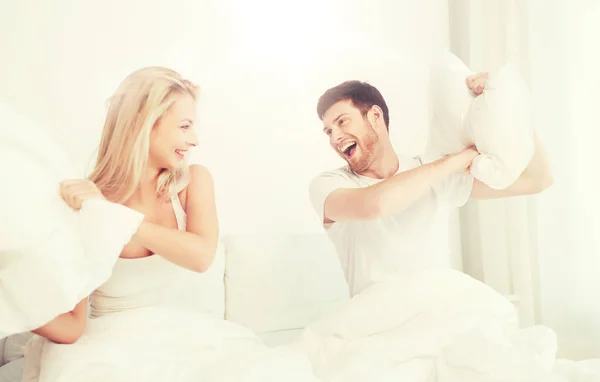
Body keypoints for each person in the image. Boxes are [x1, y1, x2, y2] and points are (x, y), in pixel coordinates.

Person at [22, 67, 319, 382]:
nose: (194, 140)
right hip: (108, 347)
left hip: (185, 339)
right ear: (145, 123)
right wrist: (12, 300)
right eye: (185, 126)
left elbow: (201, 255)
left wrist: (113, 217)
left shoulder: (193, 182)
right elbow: (71, 326)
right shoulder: (86, 201)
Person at [309, 73, 553, 297]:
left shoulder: (433, 172)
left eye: (342, 122)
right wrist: (455, 160)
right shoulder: (329, 185)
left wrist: (510, 106)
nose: (335, 137)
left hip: (438, 317)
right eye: (328, 131)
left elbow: (538, 179)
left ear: (374, 117)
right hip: (375, 326)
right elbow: (376, 205)